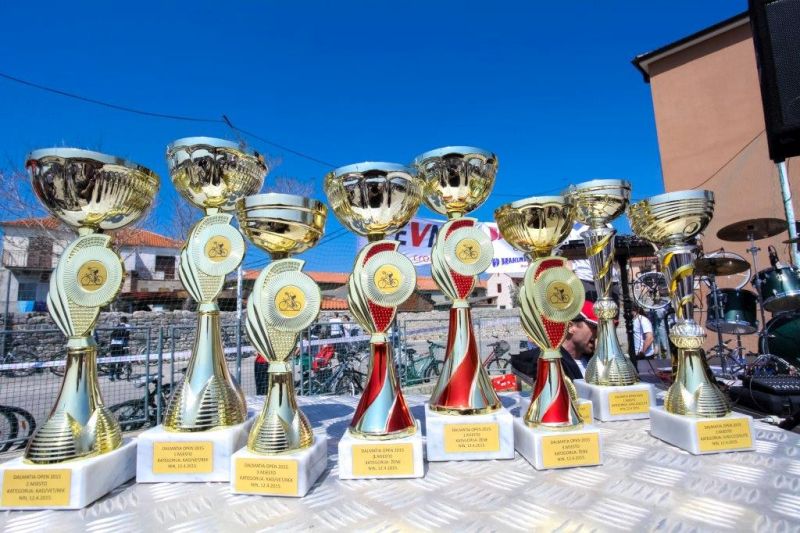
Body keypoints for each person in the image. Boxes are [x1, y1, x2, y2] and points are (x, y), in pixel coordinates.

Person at [510, 300, 598, 383]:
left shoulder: (596, 361)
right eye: (594, 327)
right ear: (570, 327)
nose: (598, 333)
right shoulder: (547, 363)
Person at [109, 316, 131, 381]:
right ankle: (118, 375)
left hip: (113, 344)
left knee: (113, 360)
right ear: (126, 320)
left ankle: (111, 375)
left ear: (120, 321)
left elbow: (111, 335)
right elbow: (127, 336)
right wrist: (127, 346)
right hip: (121, 345)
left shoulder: (117, 326)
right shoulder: (128, 326)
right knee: (120, 360)